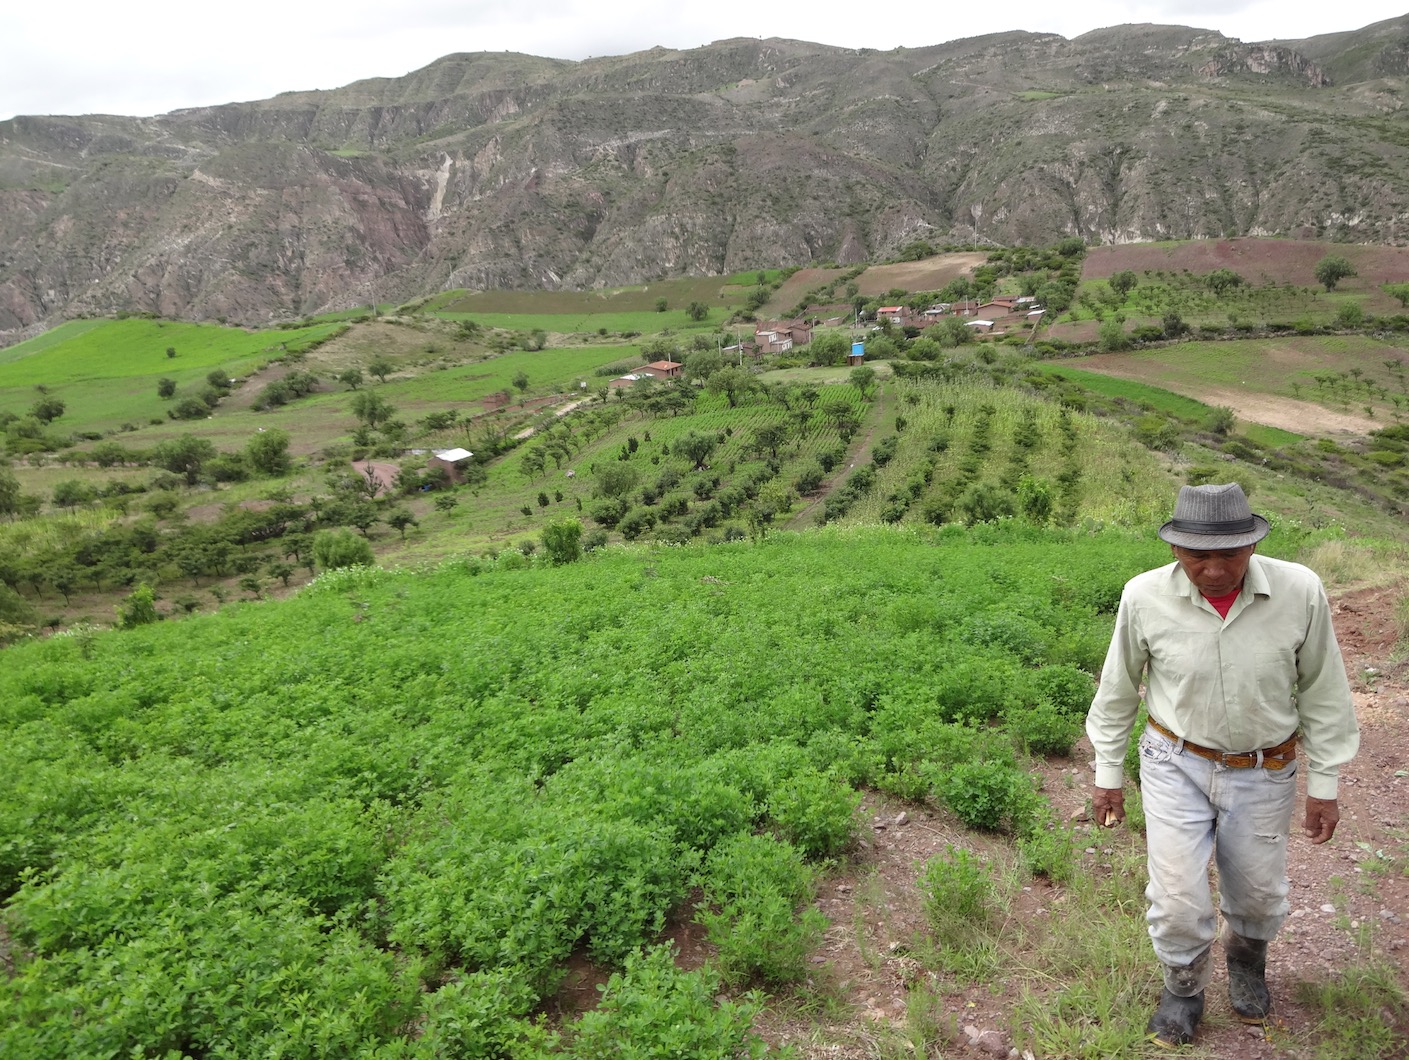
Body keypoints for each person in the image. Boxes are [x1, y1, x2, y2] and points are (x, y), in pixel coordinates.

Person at [1085, 482, 1359, 1048]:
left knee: (1257, 893)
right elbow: (1117, 693)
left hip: (1266, 766)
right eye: (1196, 556)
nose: (1212, 570)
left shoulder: (1300, 591)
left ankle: (1247, 962)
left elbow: (1324, 692)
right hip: (1173, 760)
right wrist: (1107, 776)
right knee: (1178, 894)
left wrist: (1325, 784)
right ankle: (1183, 990)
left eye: (1228, 555)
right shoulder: (1143, 597)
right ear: (1174, 550)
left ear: (1253, 545)